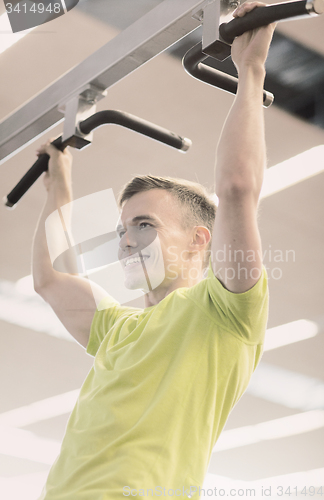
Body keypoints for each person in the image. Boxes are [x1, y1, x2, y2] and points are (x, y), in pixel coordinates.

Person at [32, 2, 275, 498]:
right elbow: (49, 279)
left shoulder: (225, 311)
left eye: (143, 225)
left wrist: (251, 70)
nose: (125, 242)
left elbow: (235, 188)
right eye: (122, 230)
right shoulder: (116, 328)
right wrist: (60, 182)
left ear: (198, 240)